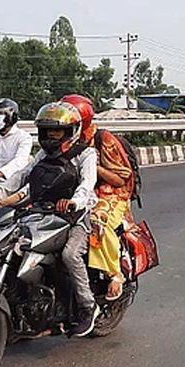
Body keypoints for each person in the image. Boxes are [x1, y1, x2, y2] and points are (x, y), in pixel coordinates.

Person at [0, 101, 100, 337]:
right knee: (11, 247)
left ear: (71, 130)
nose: (52, 135)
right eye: (48, 130)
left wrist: (73, 202)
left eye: (57, 130)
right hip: (42, 216)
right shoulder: (42, 154)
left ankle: (88, 308)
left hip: (75, 218)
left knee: (70, 255)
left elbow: (87, 186)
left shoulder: (85, 154)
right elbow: (19, 178)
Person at [61, 94, 134, 301]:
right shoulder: (64, 138)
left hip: (109, 193)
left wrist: (92, 167)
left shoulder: (103, 139)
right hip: (76, 191)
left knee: (96, 220)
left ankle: (115, 274)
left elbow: (120, 179)